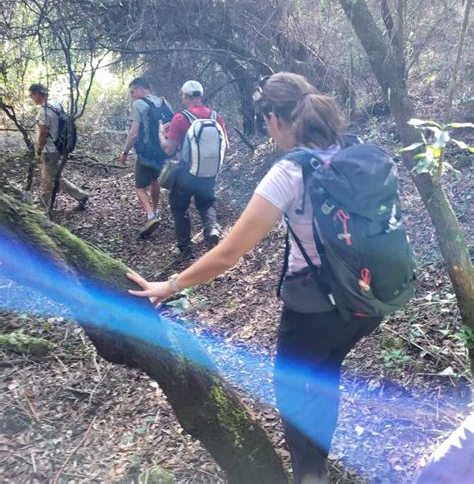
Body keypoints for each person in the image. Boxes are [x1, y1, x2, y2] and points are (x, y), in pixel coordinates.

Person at [128, 72, 382, 484]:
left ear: (277, 118)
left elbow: (228, 253)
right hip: (366, 298)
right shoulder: (354, 152)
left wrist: (170, 285)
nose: (267, 129)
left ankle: (309, 475)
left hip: (315, 309)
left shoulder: (291, 171)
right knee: (325, 372)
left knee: (294, 395)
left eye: (265, 120)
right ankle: (319, 459)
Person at [158, 80, 227, 258]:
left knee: (179, 207)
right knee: (206, 202)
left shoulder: (180, 118)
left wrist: (160, 134)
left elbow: (169, 149)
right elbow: (226, 145)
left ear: (187, 96)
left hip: (186, 174)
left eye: (182, 96)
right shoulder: (215, 116)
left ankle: (184, 248)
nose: (182, 99)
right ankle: (212, 229)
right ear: (200, 95)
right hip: (209, 172)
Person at [120, 77, 174, 238]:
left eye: (132, 92)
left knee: (139, 187)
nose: (131, 96)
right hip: (162, 151)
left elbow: (134, 133)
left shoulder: (138, 104)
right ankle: (156, 211)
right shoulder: (163, 102)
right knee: (154, 180)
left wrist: (125, 152)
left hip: (145, 152)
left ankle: (151, 216)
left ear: (141, 89)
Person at [29, 83, 88, 210]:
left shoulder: (43, 111)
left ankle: (43, 207)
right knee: (55, 177)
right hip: (59, 147)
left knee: (48, 180)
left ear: (39, 94)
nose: (31, 98)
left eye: (32, 95)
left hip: (49, 150)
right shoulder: (56, 105)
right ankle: (80, 196)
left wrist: (39, 150)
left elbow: (43, 134)